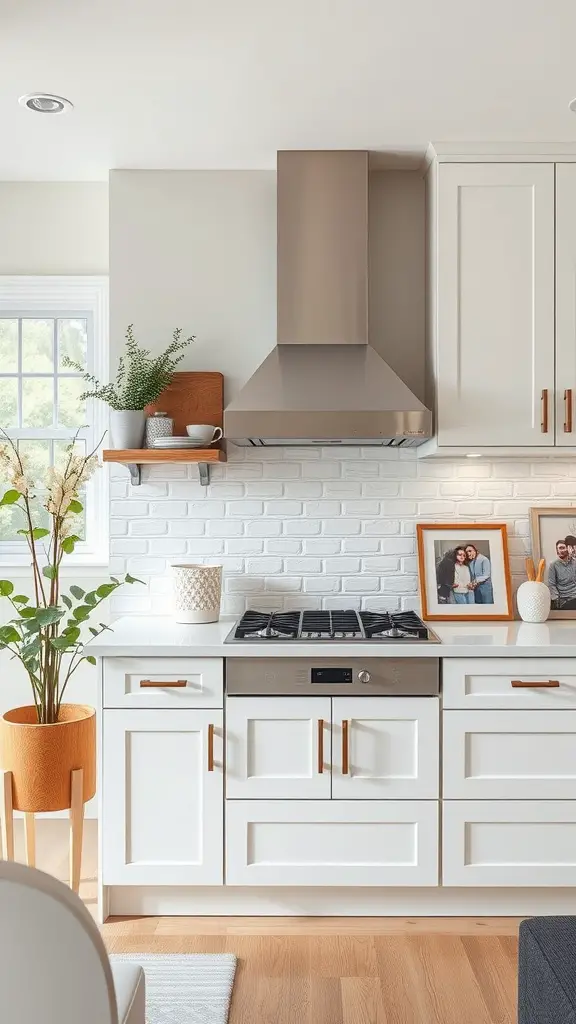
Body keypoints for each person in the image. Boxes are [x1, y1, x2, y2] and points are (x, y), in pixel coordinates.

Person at [548, 538, 576, 609]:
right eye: (559, 548)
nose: (560, 550)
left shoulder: (574, 562)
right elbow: (551, 584)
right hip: (561, 599)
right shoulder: (553, 565)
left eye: (563, 548)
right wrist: (557, 599)